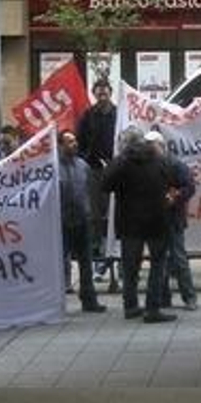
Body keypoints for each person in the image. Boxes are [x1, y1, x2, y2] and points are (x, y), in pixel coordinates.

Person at [100, 128, 177, 323]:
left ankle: (131, 306)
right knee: (158, 264)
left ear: (124, 144)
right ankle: (153, 308)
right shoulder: (158, 158)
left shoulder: (121, 162)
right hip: (157, 219)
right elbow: (171, 179)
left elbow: (104, 185)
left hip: (130, 222)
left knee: (130, 266)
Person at [76, 77, 120, 293]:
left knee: (115, 215)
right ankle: (99, 261)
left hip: (116, 169)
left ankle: (118, 261)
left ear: (110, 92)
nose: (102, 94)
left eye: (105, 91)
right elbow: (80, 140)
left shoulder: (119, 113)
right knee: (96, 216)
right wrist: (87, 158)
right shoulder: (88, 115)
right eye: (98, 91)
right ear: (94, 94)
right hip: (94, 170)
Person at [57, 129, 106, 314]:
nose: (75, 144)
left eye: (75, 140)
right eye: (69, 141)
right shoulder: (53, 167)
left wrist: (92, 214)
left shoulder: (83, 166)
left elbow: (89, 192)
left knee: (86, 262)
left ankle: (89, 299)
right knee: (60, 262)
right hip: (62, 222)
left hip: (82, 220)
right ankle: (57, 302)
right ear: (60, 145)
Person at [160, 142, 199, 311]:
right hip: (157, 220)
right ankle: (163, 297)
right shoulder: (150, 165)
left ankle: (189, 297)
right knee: (159, 260)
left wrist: (176, 196)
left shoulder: (176, 165)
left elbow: (189, 187)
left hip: (173, 218)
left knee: (179, 259)